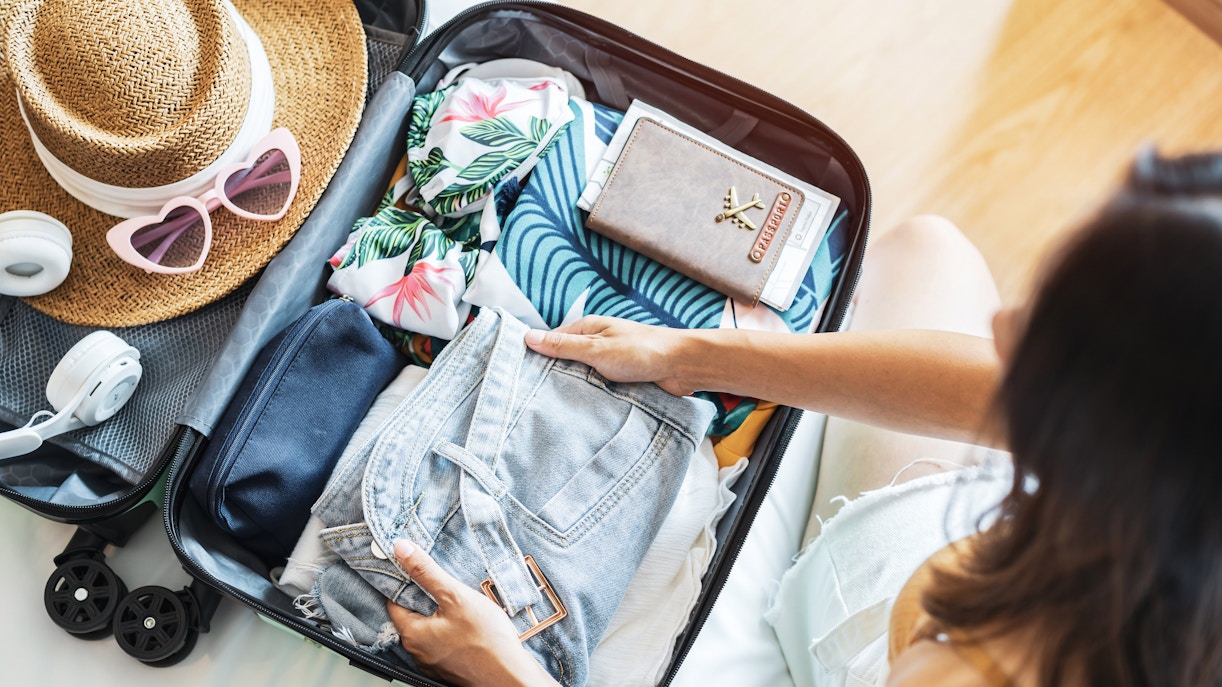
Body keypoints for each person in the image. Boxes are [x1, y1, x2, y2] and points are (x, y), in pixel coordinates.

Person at [382, 149, 1222, 687]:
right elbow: (994, 389)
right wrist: (688, 356)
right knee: (931, 249)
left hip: (869, 645)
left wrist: (504, 668)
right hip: (959, 559)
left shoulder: (964, 675)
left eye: (1043, 335)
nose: (1003, 324)